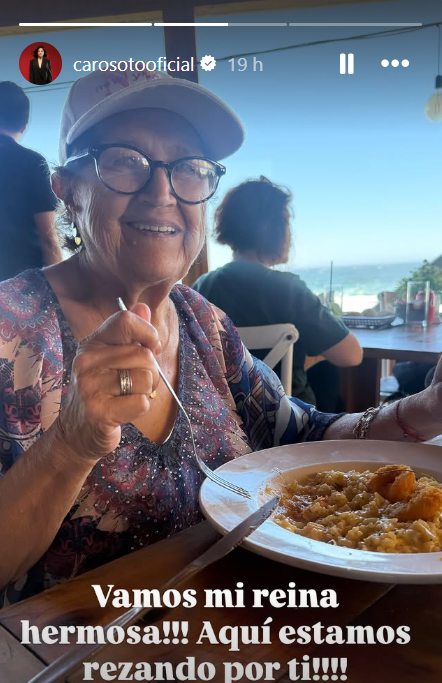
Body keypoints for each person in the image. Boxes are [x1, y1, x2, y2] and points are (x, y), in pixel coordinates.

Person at [1, 69, 442, 606]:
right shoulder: (10, 330)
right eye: (124, 160)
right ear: (67, 189)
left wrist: (426, 409)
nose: (161, 192)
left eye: (189, 167)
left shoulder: (202, 319)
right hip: (69, 652)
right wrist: (71, 444)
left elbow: (304, 436)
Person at [193, 178, 362, 411]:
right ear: (271, 230)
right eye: (287, 222)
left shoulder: (201, 287)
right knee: (328, 373)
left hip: (223, 417)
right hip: (289, 419)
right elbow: (352, 355)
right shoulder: (288, 289)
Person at [0, 81, 62, 281]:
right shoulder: (31, 163)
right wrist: (59, 289)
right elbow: (49, 239)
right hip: (19, 285)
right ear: (24, 125)